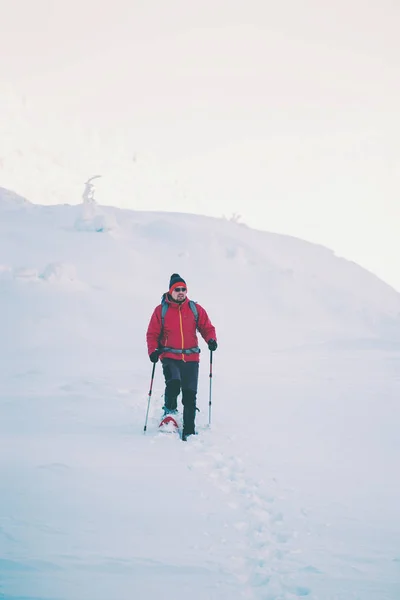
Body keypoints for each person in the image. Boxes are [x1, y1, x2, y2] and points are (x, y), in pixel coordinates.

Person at [146, 273, 217, 439]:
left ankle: (189, 431)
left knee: (189, 395)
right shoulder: (161, 311)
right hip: (169, 356)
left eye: (183, 289)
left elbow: (207, 327)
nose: (181, 292)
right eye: (177, 289)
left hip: (191, 359)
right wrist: (153, 351)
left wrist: (211, 339)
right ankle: (169, 414)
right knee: (174, 383)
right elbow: (152, 333)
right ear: (170, 291)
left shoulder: (194, 309)